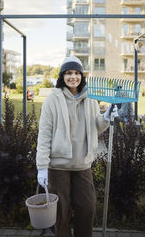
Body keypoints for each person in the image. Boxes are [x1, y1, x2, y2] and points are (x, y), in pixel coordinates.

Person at [36, 56, 114, 237]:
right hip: (58, 166)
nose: (73, 77)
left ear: (82, 76)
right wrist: (42, 167)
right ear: (62, 76)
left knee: (87, 208)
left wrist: (107, 116)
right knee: (61, 213)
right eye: (69, 73)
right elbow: (44, 134)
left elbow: (97, 126)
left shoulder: (91, 98)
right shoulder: (52, 100)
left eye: (77, 73)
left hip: (82, 164)